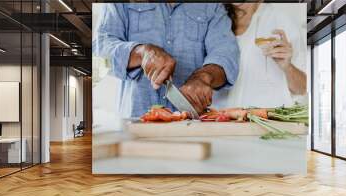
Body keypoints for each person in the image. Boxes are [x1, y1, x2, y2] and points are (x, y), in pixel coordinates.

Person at [93, 3, 239, 117]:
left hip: (190, 130)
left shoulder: (212, 6)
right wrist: (141, 53)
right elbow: (100, 50)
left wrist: (204, 77)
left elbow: (226, 53)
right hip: (134, 127)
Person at [214, 3, 307, 109]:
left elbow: (302, 88)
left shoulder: (280, 19)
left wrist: (288, 67)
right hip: (224, 121)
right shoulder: (214, 20)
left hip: (270, 121)